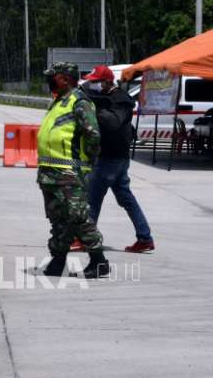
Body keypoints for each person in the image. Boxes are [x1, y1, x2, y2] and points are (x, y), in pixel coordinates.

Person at [37, 62, 110, 278]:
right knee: (58, 219)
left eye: (54, 76)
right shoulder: (58, 101)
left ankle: (99, 261)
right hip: (50, 171)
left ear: (65, 79)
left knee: (78, 217)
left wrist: (89, 161)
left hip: (69, 171)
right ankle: (58, 260)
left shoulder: (80, 102)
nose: (50, 79)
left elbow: (93, 135)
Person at [82, 65, 154, 253]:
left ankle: (86, 239)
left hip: (111, 158)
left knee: (92, 198)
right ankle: (144, 237)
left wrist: (94, 107)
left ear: (106, 82)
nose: (93, 85)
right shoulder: (109, 97)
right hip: (114, 157)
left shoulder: (122, 100)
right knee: (126, 199)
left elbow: (113, 122)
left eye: (96, 82)